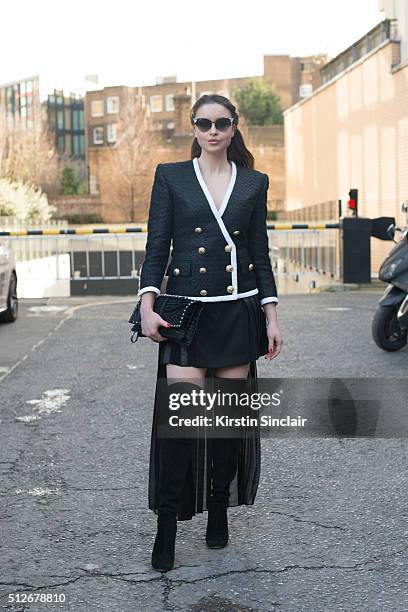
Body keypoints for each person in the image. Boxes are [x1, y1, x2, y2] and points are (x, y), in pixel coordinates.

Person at [138, 94, 283, 572]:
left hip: (236, 312)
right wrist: (146, 304)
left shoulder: (254, 182)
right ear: (194, 128)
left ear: (235, 126)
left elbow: (259, 253)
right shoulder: (172, 176)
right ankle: (166, 526)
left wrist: (271, 315)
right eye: (204, 123)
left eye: (222, 123)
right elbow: (157, 245)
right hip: (186, 313)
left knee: (225, 424)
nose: (214, 130)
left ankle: (219, 508)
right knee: (181, 424)